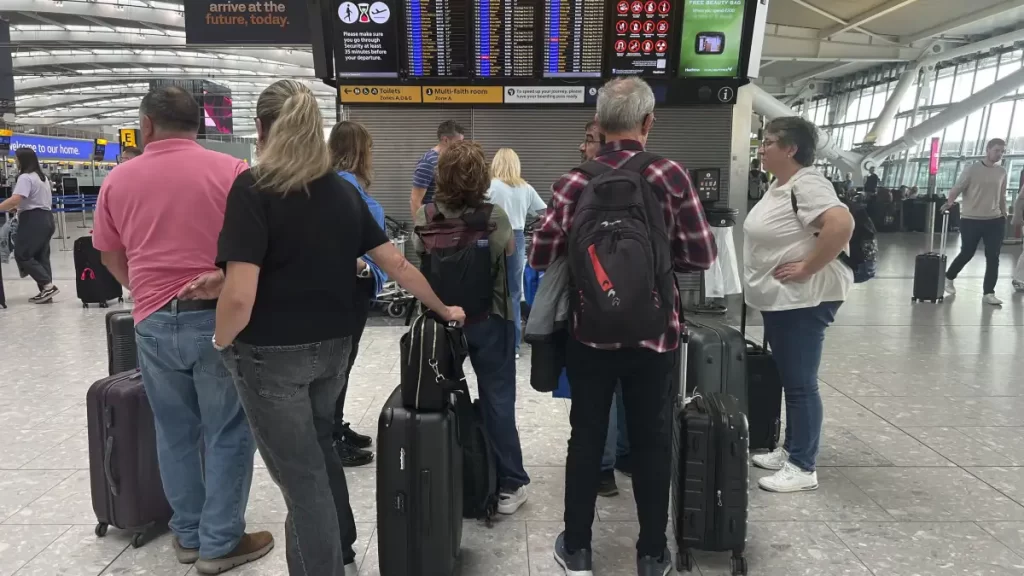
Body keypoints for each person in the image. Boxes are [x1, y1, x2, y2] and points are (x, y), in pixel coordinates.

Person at [212, 79, 466, 576]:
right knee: (316, 453)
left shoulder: (253, 188)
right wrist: (444, 307)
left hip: (270, 356)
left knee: (300, 480)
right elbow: (397, 265)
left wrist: (221, 341)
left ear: (261, 129)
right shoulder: (341, 192)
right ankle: (337, 549)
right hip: (333, 350)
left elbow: (241, 294)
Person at [531, 77, 717, 576]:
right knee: (654, 438)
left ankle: (577, 548)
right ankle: (652, 554)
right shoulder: (670, 174)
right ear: (648, 122)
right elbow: (701, 254)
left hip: (589, 332)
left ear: (600, 124)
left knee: (586, 436)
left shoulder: (575, 180)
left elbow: (540, 252)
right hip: (655, 334)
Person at [92, 86, 272, 574]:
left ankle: (189, 535)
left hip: (152, 321)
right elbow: (255, 247)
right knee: (228, 430)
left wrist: (145, 292)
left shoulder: (118, 179)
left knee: (173, 431)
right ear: (200, 124)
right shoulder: (232, 172)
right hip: (217, 320)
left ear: (147, 125)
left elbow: (108, 253)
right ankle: (219, 544)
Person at [413, 140, 531, 515]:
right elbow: (511, 267)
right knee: (498, 402)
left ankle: (439, 473)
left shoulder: (425, 215)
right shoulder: (495, 215)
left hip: (440, 325)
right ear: (482, 177)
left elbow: (417, 271)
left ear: (440, 176)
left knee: (436, 400)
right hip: (489, 322)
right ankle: (510, 484)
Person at [744, 117, 854, 493]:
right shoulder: (782, 185)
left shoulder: (808, 183)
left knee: (801, 384)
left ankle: (803, 466)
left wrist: (808, 267)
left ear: (791, 149)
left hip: (804, 300)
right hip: (783, 301)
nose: (762, 148)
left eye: (769, 142)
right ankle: (790, 449)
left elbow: (841, 224)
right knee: (792, 378)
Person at [327, 120, 385, 468]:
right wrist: (362, 266)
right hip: (347, 292)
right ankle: (331, 435)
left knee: (341, 365)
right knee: (339, 366)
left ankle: (335, 424)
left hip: (347, 293)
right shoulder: (345, 188)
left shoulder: (338, 185)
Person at [486, 148, 546, 358]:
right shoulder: (526, 188)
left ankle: (491, 342)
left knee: (491, 288)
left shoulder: (490, 187)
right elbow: (545, 213)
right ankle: (514, 347)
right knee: (514, 292)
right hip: (517, 238)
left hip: (493, 237)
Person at [942, 138, 1009, 306]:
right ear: (988, 149)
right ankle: (949, 277)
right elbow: (957, 188)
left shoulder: (1002, 171)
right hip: (971, 219)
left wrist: (1004, 213)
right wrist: (949, 202)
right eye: (997, 150)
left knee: (993, 257)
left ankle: (989, 293)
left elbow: (1001, 195)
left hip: (995, 220)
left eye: (1002, 151)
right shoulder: (972, 169)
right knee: (967, 252)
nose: (999, 154)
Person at [0, 148, 57, 303]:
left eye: (16, 158)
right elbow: (33, 199)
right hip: (47, 218)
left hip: (33, 220)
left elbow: (15, 199)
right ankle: (46, 292)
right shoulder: (42, 177)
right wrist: (19, 207)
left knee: (22, 254)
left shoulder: (25, 177)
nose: (15, 161)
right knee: (41, 256)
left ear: (23, 160)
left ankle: (48, 285)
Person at [410, 120, 465, 217]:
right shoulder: (428, 163)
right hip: (433, 225)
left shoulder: (453, 159)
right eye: (459, 142)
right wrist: (422, 228)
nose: (461, 146)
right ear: (446, 140)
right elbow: (415, 201)